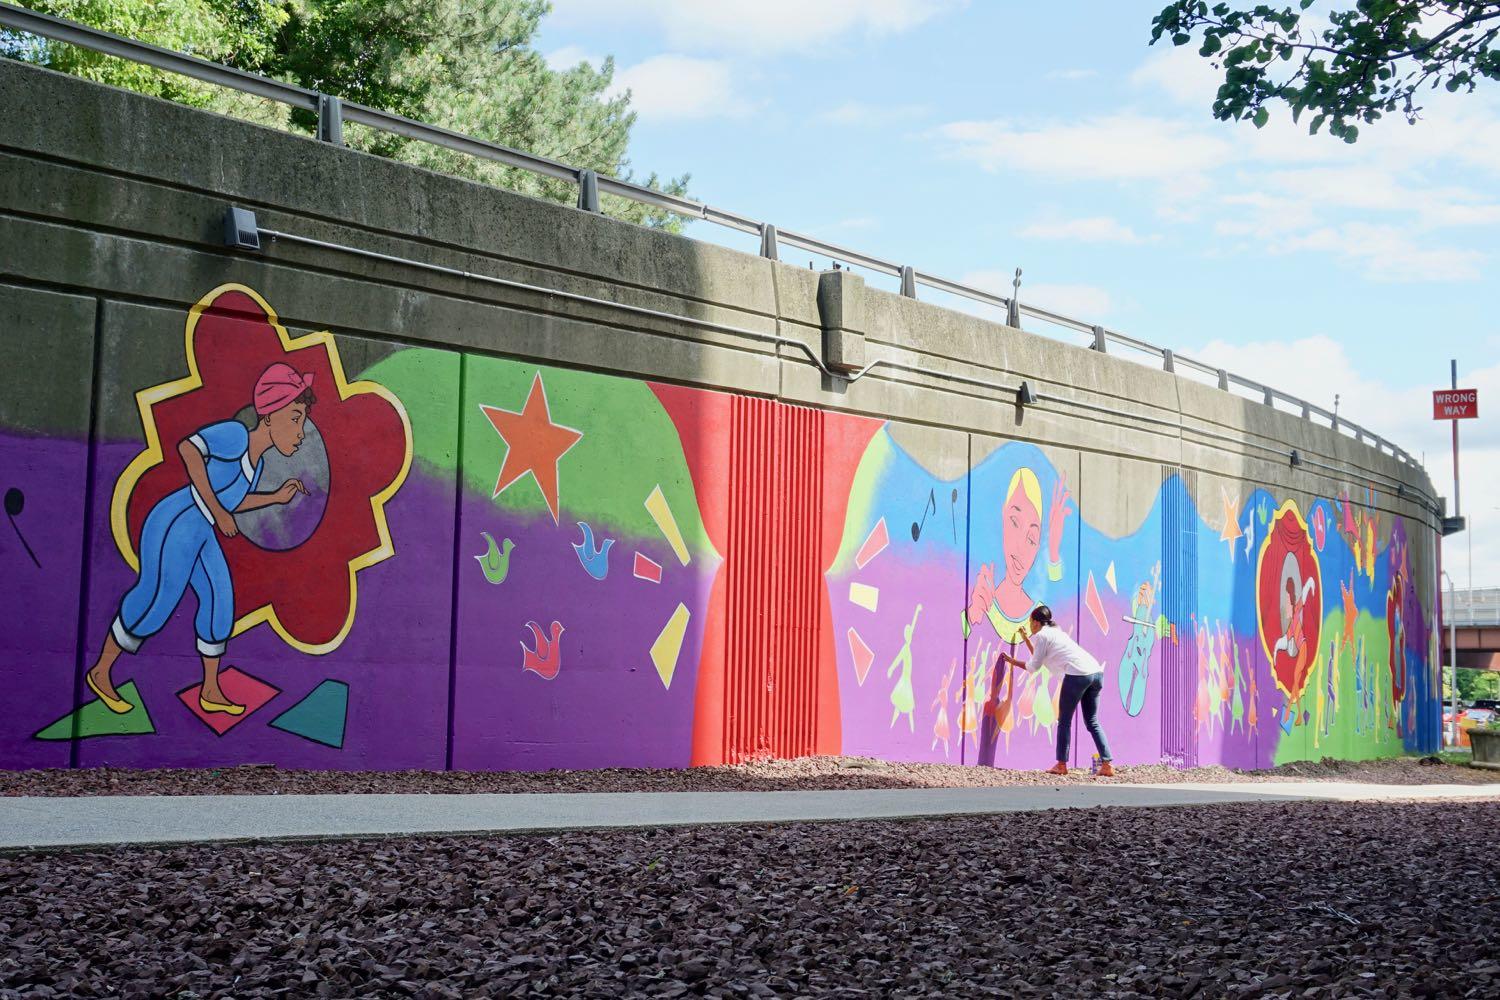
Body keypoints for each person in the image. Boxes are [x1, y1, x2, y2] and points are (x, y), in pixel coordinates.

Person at [83, 363, 314, 716]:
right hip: (176, 521)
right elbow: (190, 449)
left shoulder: (259, 466)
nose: (301, 432)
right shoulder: (236, 436)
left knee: (220, 599)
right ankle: (100, 672)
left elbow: (233, 500)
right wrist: (218, 512)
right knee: (157, 599)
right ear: (269, 415)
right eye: (296, 418)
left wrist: (275, 497)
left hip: (201, 531)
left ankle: (210, 690)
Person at [998, 605, 1114, 777]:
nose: (1030, 626)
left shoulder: (1042, 636)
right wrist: (1025, 638)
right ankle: (1107, 764)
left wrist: (1011, 661)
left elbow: (1033, 666)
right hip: (1095, 673)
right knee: (1092, 721)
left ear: (1036, 623)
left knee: (1064, 721)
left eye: (1030, 622)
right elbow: (1040, 657)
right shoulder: (1056, 631)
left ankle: (1061, 765)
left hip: (1077, 675)